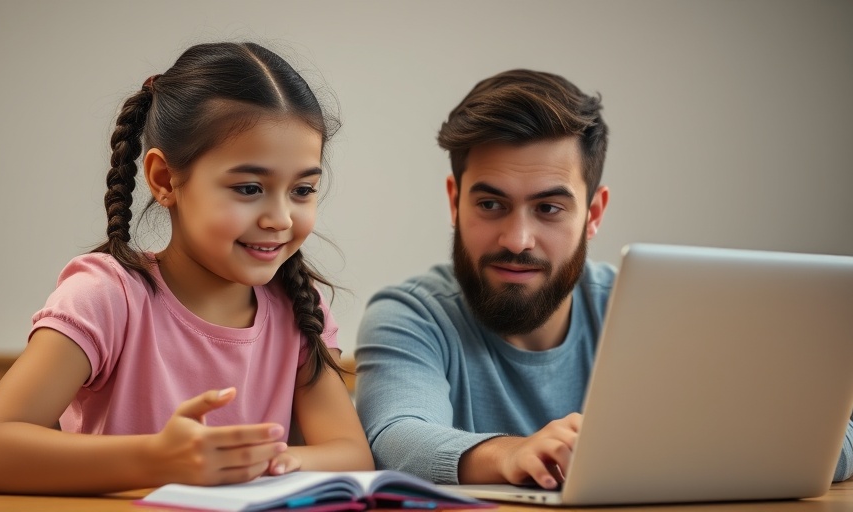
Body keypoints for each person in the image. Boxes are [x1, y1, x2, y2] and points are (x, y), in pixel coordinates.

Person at [354, 69, 853, 489]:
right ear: (453, 201)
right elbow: (396, 437)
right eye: (490, 204)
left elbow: (833, 436)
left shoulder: (657, 311)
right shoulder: (411, 313)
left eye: (548, 208)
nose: (517, 239)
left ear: (594, 214)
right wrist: (511, 454)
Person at [0, 41, 373, 495]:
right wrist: (162, 459)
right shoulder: (106, 296)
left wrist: (254, 461)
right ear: (163, 179)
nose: (280, 218)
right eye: (250, 187)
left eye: (303, 190)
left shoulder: (299, 305)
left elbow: (350, 454)